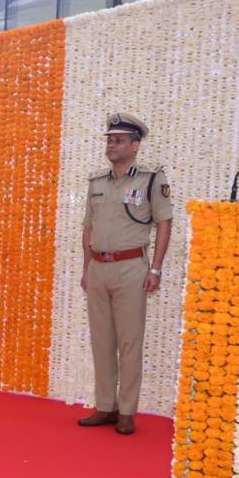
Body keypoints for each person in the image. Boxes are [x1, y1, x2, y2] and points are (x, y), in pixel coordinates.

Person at [78, 112, 172, 436]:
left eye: (118, 140)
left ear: (135, 145)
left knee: (130, 342)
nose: (111, 145)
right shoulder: (97, 182)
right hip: (99, 269)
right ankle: (106, 405)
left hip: (132, 268)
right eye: (108, 139)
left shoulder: (150, 179)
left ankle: (127, 410)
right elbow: (88, 228)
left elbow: (164, 223)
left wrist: (156, 268)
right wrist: (86, 267)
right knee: (101, 341)